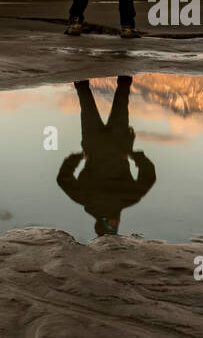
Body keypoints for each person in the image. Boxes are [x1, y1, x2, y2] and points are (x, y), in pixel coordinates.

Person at [56, 76, 156, 237]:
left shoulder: (127, 199)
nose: (118, 223)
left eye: (115, 226)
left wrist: (134, 155)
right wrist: (78, 157)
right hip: (93, 145)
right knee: (85, 100)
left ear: (110, 223)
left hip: (119, 146)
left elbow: (149, 176)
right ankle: (81, 64)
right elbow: (63, 179)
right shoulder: (84, 199)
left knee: (121, 100)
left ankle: (123, 62)